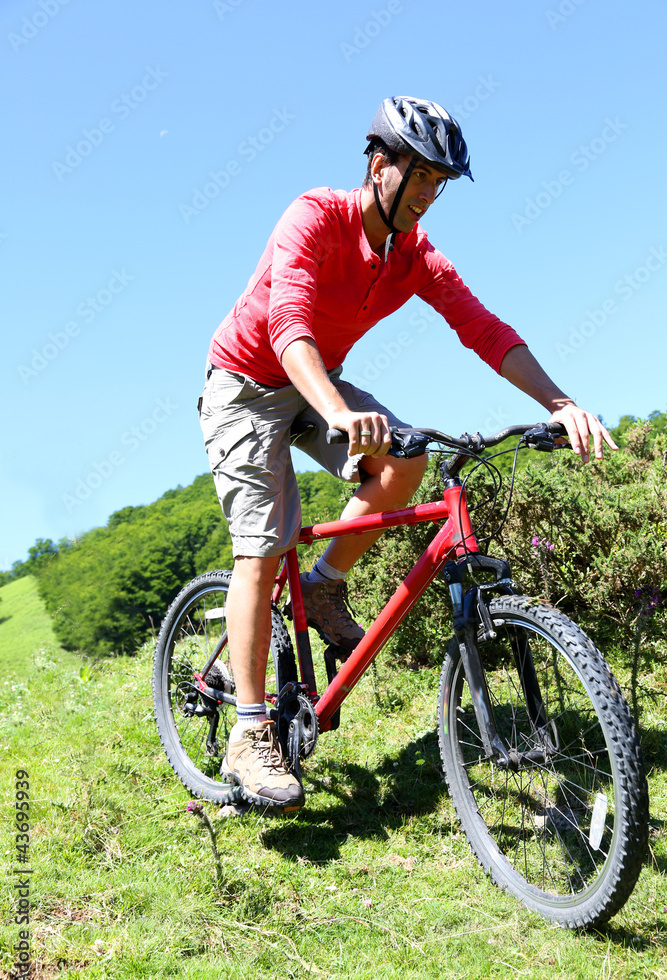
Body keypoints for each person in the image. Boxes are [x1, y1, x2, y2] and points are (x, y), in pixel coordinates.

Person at [198, 95, 616, 812]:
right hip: (246, 384)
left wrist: (558, 402)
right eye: (417, 175)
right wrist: (335, 411)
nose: (426, 194)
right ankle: (248, 731)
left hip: (320, 384)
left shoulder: (414, 256)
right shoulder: (314, 216)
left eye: (437, 182)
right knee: (261, 545)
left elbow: (482, 327)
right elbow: (287, 322)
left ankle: (325, 583)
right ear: (378, 164)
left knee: (407, 459)